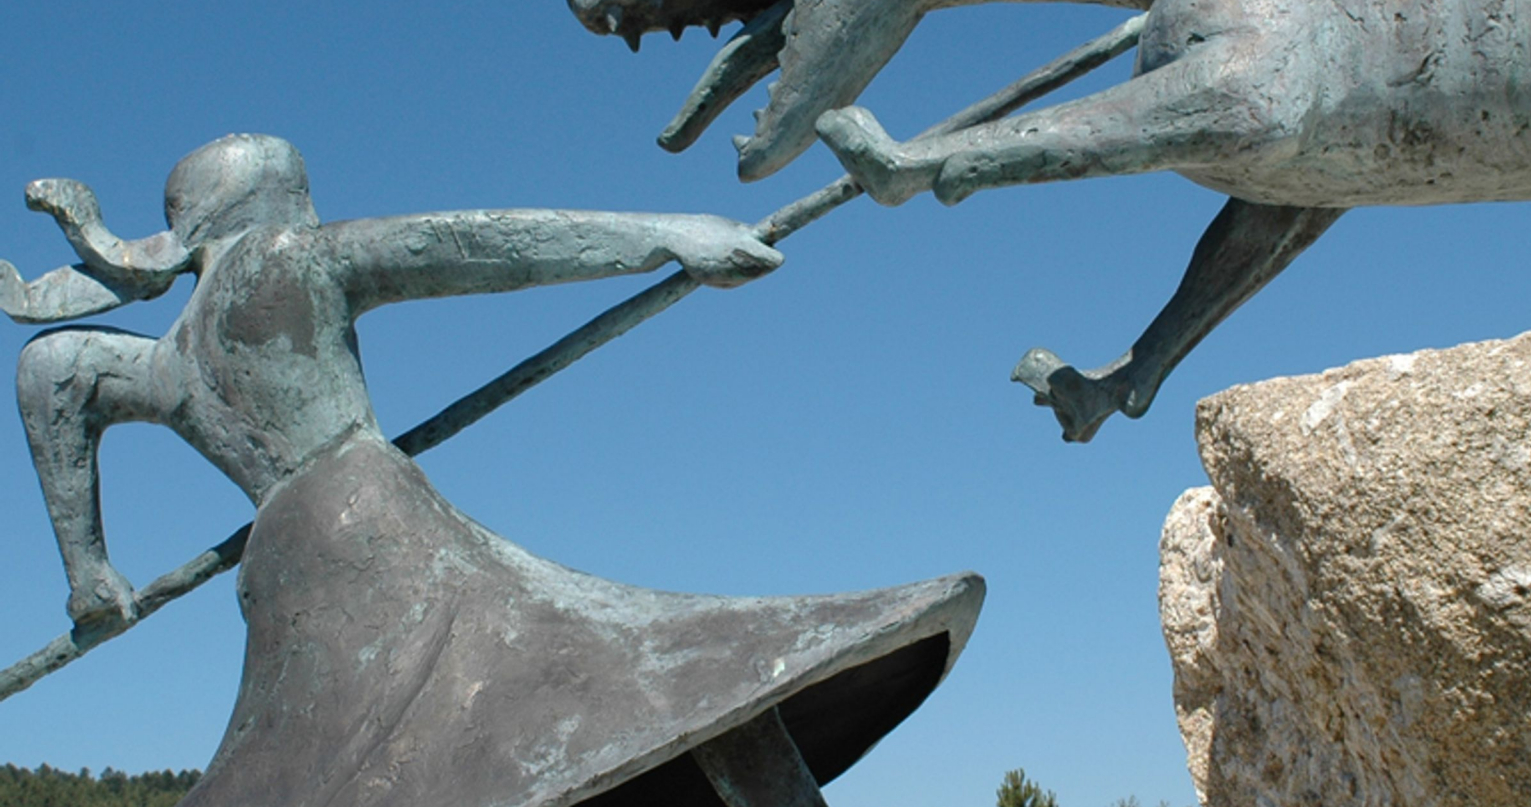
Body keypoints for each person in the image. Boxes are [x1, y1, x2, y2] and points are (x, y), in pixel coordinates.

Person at [11, 134, 982, 807]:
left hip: (283, 570)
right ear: (275, 198)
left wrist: (89, 573)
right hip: (372, 520)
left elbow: (50, 371)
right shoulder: (283, 256)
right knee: (659, 685)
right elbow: (473, 244)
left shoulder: (169, 353)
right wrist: (667, 238)